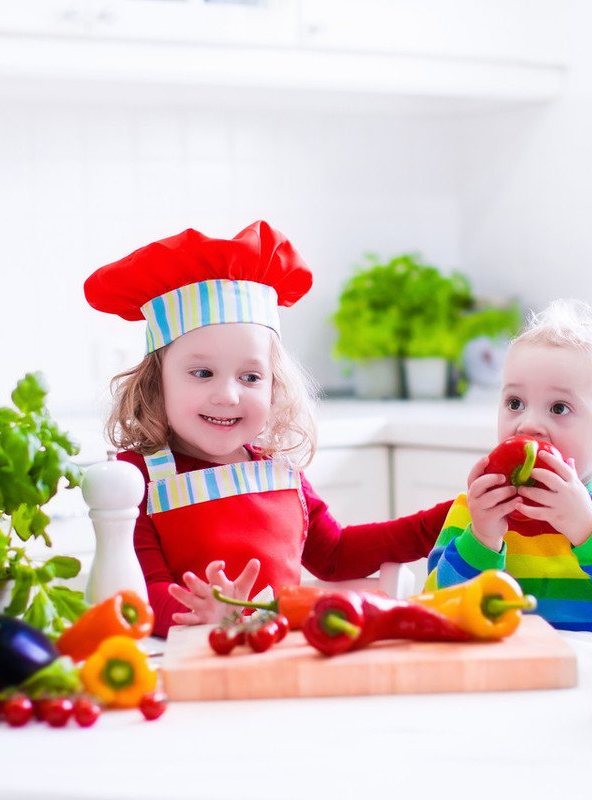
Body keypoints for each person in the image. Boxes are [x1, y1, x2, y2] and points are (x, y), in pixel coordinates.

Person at [84, 221, 452, 636]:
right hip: (189, 666)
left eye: (250, 377)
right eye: (202, 372)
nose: (228, 395)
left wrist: (448, 517)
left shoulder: (280, 472)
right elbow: (141, 593)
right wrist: (202, 614)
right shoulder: (137, 479)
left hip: (278, 657)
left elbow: (336, 555)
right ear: (157, 382)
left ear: (275, 384)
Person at [424, 299, 592, 631]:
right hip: (510, 671)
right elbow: (438, 607)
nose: (528, 424)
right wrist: (482, 538)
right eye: (515, 403)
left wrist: (588, 529)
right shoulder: (476, 508)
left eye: (559, 408)